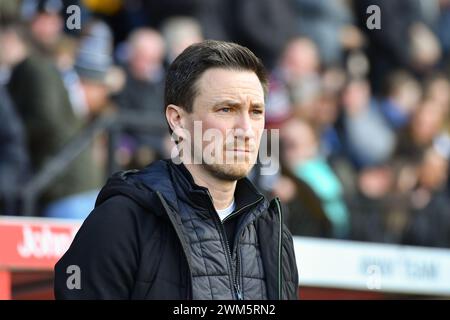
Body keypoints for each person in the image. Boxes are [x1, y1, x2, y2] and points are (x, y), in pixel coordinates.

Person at [54, 40, 299, 300]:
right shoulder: (122, 220)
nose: (247, 130)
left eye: (256, 112)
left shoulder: (273, 231)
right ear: (178, 120)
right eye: (226, 109)